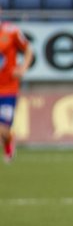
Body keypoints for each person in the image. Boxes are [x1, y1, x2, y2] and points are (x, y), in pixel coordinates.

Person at [0, 14, 34, 163]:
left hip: (8, 88)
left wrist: (22, 69)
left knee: (3, 129)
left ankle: (9, 140)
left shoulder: (12, 31)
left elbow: (28, 50)